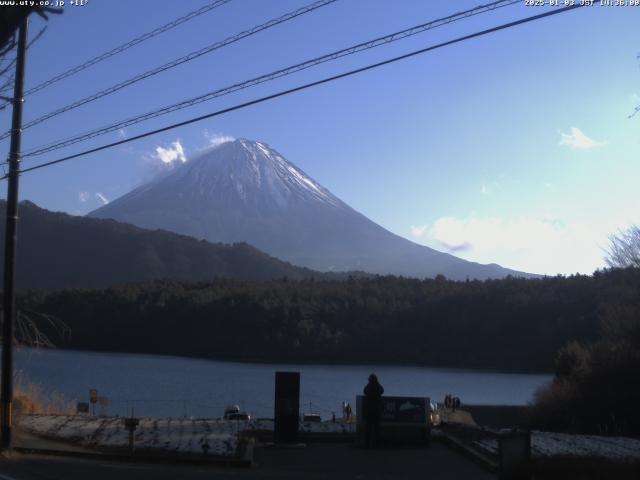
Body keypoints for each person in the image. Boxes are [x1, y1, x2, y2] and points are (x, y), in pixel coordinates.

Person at [363, 373, 384, 448]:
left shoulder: (368, 387)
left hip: (369, 410)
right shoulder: (378, 387)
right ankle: (377, 444)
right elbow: (382, 390)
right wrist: (377, 382)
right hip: (377, 410)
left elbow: (364, 391)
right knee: (377, 428)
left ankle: (367, 444)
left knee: (368, 428)